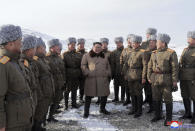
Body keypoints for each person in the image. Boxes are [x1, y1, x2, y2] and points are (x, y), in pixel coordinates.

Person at [0, 24, 34, 131]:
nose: (21, 44)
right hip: (13, 124)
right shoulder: (3, 65)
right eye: (19, 40)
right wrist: (1, 124)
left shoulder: (17, 62)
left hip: (23, 120)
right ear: (10, 43)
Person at [147, 33, 179, 126]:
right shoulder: (154, 53)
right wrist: (149, 76)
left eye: (158, 42)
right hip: (155, 79)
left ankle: (169, 119)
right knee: (156, 98)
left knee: (168, 99)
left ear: (163, 43)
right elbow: (150, 66)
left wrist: (174, 81)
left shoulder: (171, 53)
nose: (156, 43)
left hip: (166, 79)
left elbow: (175, 68)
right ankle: (158, 115)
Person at [81, 42, 111, 118]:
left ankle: (102, 109)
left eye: (99, 47)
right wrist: (87, 73)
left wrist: (107, 73)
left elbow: (108, 66)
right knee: (88, 96)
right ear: (93, 47)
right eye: (96, 47)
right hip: (91, 79)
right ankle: (86, 112)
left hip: (102, 78)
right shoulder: (86, 55)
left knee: (104, 95)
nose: (97, 49)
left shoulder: (105, 56)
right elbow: (83, 65)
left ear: (101, 48)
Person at [34, 37, 56, 124]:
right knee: (38, 114)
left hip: (46, 92)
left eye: (44, 48)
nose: (44, 50)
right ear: (37, 48)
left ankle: (42, 125)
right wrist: (40, 94)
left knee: (43, 112)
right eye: (42, 48)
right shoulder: (35, 60)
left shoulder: (43, 59)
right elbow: (36, 80)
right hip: (42, 93)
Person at [124, 35, 147, 118]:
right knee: (132, 93)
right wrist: (126, 74)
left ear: (138, 43)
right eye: (132, 43)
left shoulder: (142, 52)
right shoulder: (130, 52)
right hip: (130, 75)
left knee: (138, 93)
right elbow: (126, 65)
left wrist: (144, 77)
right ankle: (134, 108)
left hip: (138, 75)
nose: (133, 44)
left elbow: (145, 65)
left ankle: (139, 110)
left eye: (135, 43)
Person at [46, 39, 65, 121]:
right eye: (56, 46)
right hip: (52, 84)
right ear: (51, 48)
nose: (58, 47)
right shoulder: (46, 58)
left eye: (58, 46)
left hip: (59, 83)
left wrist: (64, 82)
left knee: (57, 100)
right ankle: (45, 117)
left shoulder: (59, 57)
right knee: (48, 102)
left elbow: (62, 71)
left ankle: (51, 116)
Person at [179, 31, 195, 123]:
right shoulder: (185, 49)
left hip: (192, 77)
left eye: (189, 38)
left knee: (194, 96)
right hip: (183, 76)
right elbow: (181, 62)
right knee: (184, 95)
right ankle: (187, 113)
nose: (187, 39)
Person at [63, 37, 82, 109]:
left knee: (74, 91)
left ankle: (74, 104)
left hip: (76, 75)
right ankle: (66, 105)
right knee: (67, 91)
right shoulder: (65, 54)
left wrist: (79, 73)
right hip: (68, 76)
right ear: (68, 45)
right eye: (71, 44)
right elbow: (63, 66)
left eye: (74, 44)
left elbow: (80, 65)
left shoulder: (78, 54)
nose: (73, 46)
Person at [144, 35, 157, 113]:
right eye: (150, 42)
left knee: (156, 93)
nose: (151, 44)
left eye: (153, 42)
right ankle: (151, 107)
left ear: (156, 43)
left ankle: (157, 108)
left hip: (155, 74)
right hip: (147, 73)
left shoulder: (158, 51)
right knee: (148, 92)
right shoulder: (146, 51)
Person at [120, 34, 134, 106]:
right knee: (126, 86)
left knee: (133, 88)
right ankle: (127, 99)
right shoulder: (125, 50)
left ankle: (134, 100)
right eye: (128, 40)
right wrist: (123, 70)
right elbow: (121, 60)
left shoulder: (136, 49)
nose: (129, 41)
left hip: (134, 71)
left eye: (131, 40)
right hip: (126, 71)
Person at [110, 37, 125, 103]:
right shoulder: (113, 52)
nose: (118, 44)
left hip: (124, 71)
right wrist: (112, 73)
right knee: (116, 85)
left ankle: (122, 98)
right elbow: (112, 64)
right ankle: (116, 98)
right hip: (116, 71)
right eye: (117, 42)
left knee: (123, 85)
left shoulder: (126, 51)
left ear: (122, 43)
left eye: (120, 42)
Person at [76, 38, 87, 103]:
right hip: (76, 73)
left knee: (83, 86)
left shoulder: (86, 53)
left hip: (84, 73)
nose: (81, 45)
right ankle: (74, 100)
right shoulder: (75, 53)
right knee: (74, 87)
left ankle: (81, 97)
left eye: (82, 44)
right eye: (80, 44)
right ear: (77, 45)